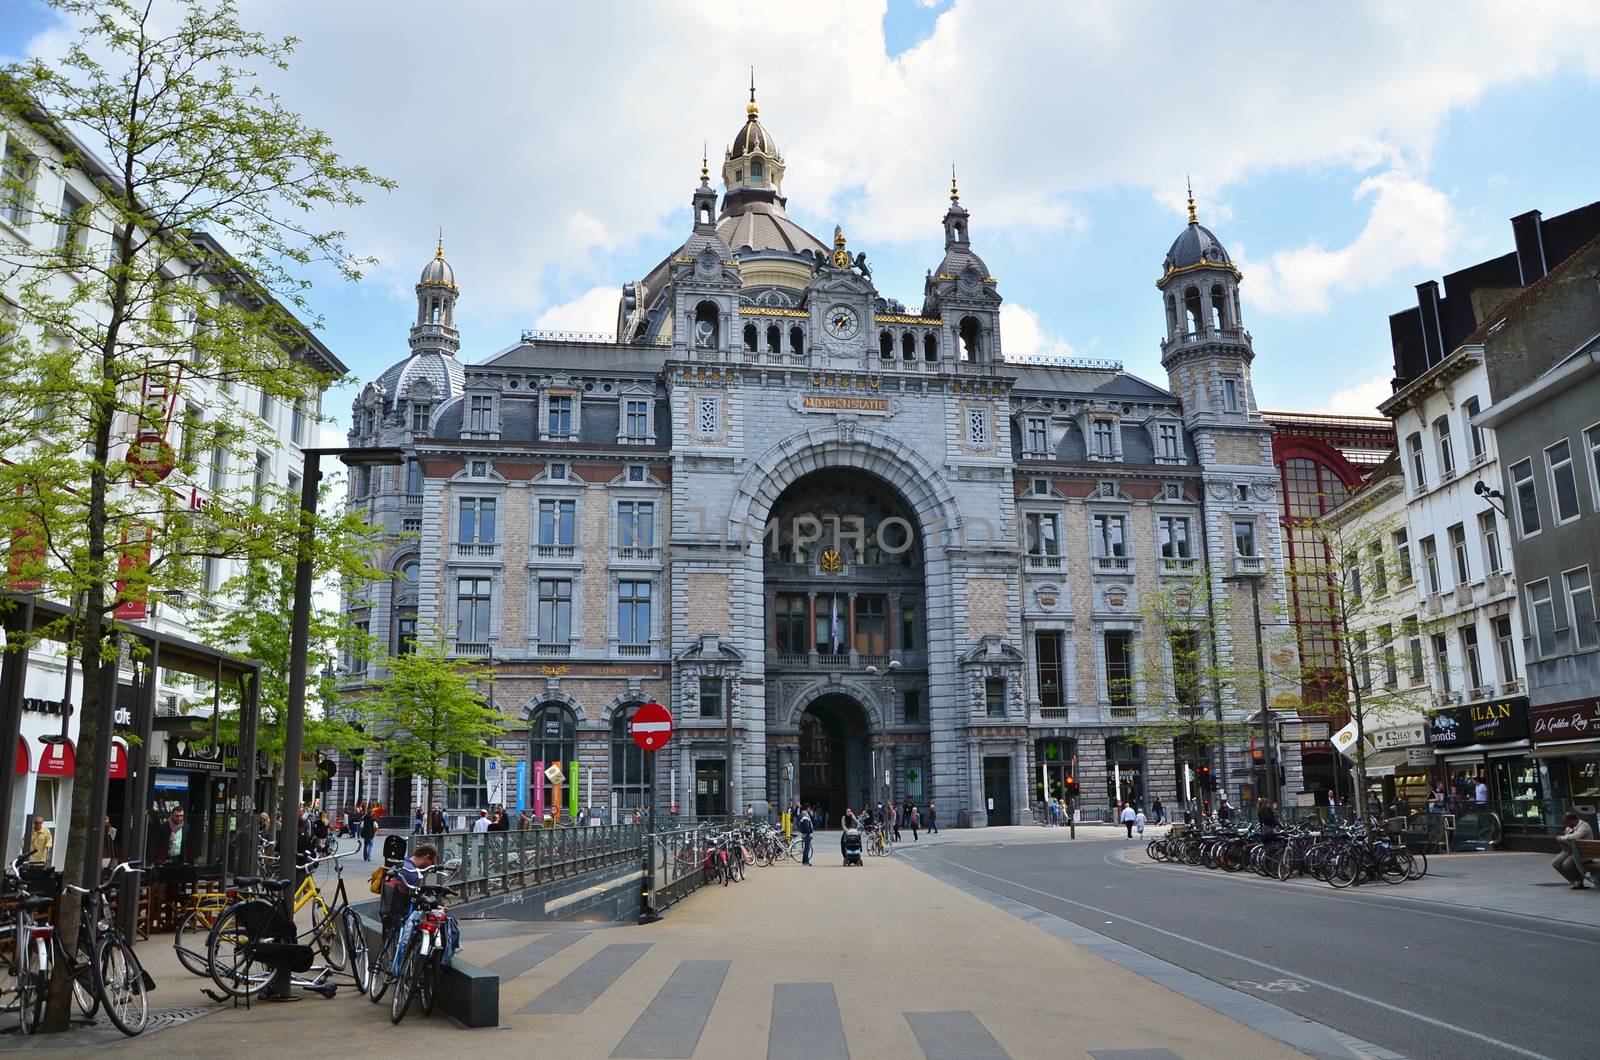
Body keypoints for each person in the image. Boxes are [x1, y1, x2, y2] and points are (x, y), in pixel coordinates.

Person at [1553, 811, 1593, 889]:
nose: (1566, 825)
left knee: (1566, 865)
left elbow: (1576, 836)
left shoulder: (1584, 826)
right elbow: (1566, 842)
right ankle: (1575, 880)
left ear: (1573, 820)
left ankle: (1579, 883)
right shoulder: (1569, 828)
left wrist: (1561, 838)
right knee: (1556, 863)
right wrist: (1562, 842)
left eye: (1566, 822)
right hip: (1570, 851)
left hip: (1582, 853)